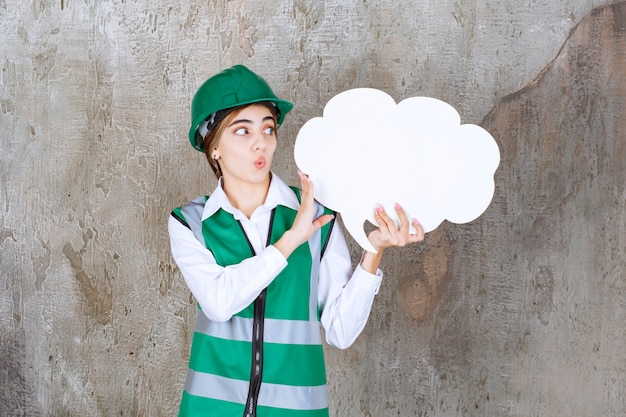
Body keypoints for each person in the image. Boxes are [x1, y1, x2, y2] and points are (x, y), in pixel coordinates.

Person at [168, 64, 425, 417]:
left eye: (268, 129)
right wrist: (291, 240)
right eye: (242, 131)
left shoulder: (319, 214)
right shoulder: (190, 223)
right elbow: (219, 302)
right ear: (213, 148)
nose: (260, 142)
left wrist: (373, 252)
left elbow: (340, 332)